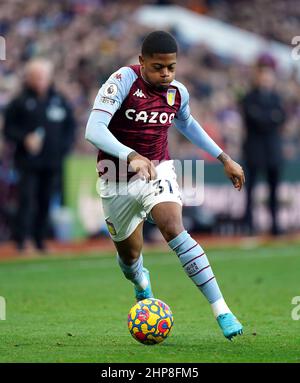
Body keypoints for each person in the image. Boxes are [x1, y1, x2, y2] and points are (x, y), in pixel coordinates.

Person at [85, 31, 245, 340]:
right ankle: (141, 281)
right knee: (130, 259)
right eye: (159, 67)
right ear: (142, 61)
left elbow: (187, 123)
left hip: (158, 171)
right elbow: (93, 129)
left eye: (171, 67)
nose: (166, 74)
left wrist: (223, 157)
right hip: (115, 179)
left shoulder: (177, 93)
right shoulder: (122, 81)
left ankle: (221, 308)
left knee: (173, 227)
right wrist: (130, 155)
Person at [4, 58, 76, 252]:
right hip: (27, 162)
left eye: (42, 77)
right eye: (35, 77)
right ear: (28, 78)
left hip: (52, 162)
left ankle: (40, 239)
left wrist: (63, 148)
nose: (39, 81)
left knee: (46, 201)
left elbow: (70, 127)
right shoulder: (19, 102)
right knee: (27, 200)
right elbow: (9, 129)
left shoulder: (59, 100)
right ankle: (22, 239)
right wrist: (24, 138)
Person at [241, 65, 286, 236]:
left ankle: (275, 225)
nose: (266, 80)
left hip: (273, 150)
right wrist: (270, 117)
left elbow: (281, 117)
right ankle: (249, 225)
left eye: (269, 77)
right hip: (254, 150)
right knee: (250, 190)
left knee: (274, 190)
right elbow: (255, 118)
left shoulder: (276, 97)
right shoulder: (249, 97)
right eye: (263, 76)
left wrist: (266, 118)